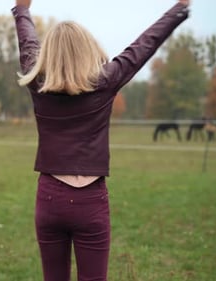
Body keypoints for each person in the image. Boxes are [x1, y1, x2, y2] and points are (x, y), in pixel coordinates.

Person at [11, 0, 190, 280]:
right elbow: (143, 46)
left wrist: (22, 9)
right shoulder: (106, 81)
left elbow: (29, 44)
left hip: (49, 198)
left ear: (50, 53)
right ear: (87, 48)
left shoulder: (38, 81)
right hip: (90, 200)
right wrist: (178, 8)